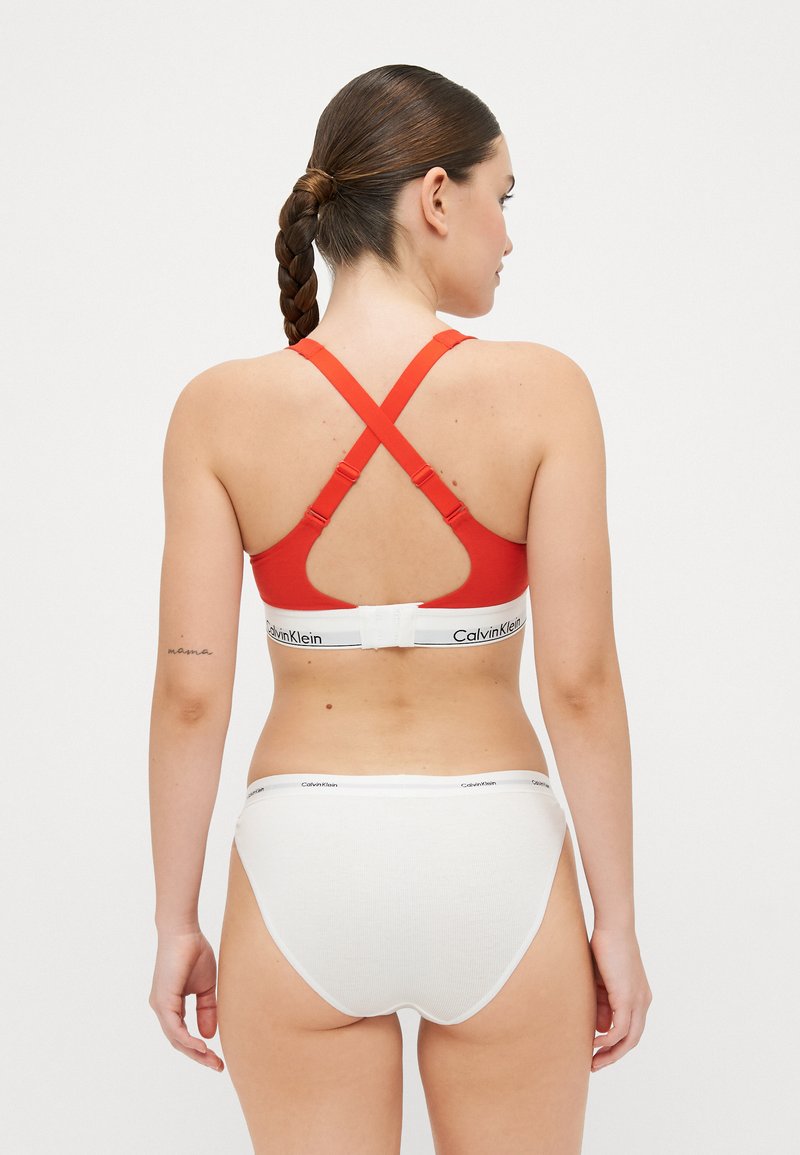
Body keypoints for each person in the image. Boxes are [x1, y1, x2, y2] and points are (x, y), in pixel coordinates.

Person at [148, 63, 652, 1154]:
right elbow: (579, 682)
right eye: (500, 197)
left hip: (301, 861)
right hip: (497, 859)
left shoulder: (217, 411)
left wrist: (175, 918)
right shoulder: (546, 393)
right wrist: (614, 920)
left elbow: (191, 695)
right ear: (435, 196)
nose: (508, 235)